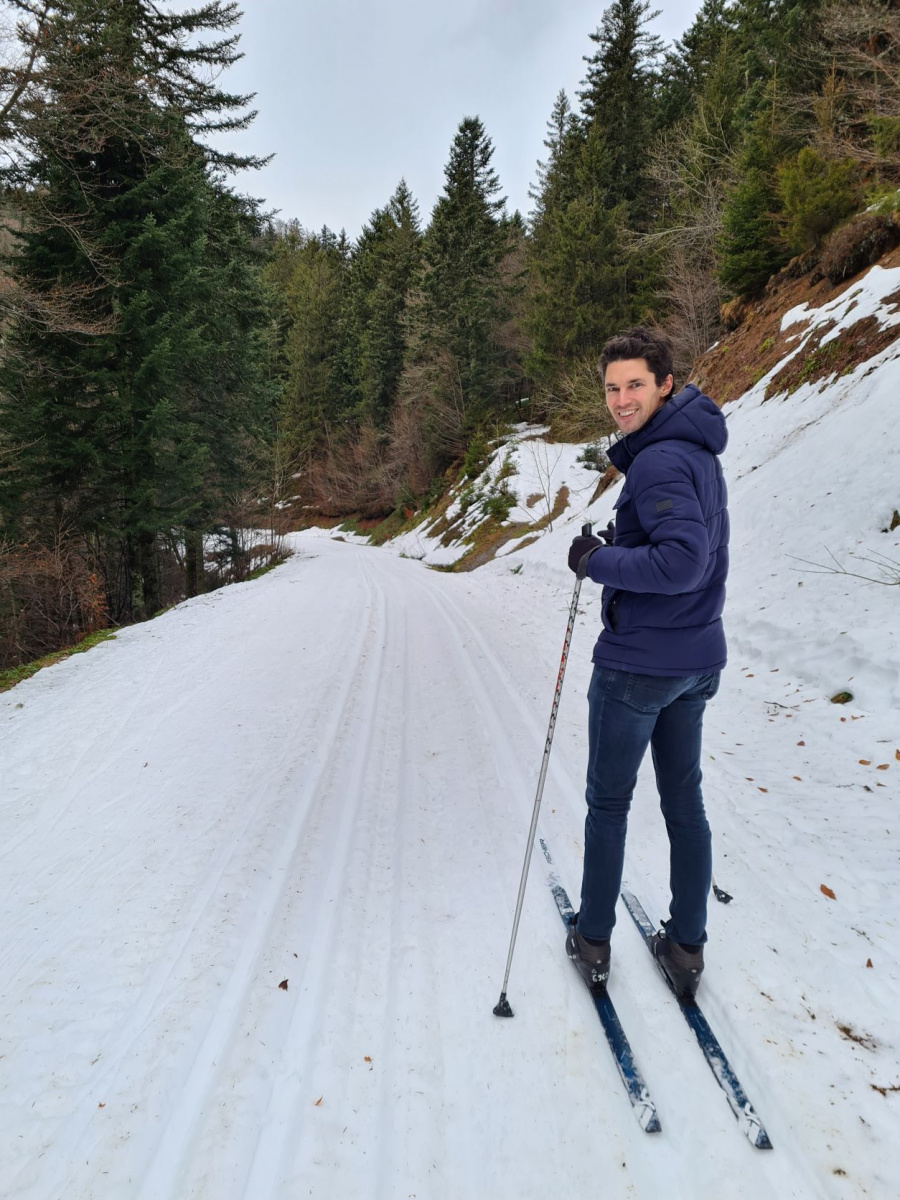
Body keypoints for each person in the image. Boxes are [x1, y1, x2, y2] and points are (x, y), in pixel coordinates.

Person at [565, 326, 728, 997]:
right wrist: (623, 540)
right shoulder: (691, 450)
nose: (621, 399)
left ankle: (593, 939)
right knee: (683, 800)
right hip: (694, 657)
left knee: (609, 803)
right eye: (611, 387)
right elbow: (683, 544)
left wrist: (597, 559)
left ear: (665, 383)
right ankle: (686, 948)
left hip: (639, 665)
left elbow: (683, 561)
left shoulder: (658, 461)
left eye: (635, 384)